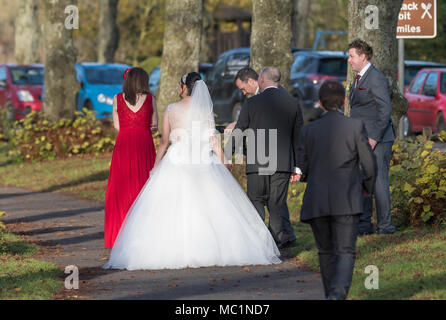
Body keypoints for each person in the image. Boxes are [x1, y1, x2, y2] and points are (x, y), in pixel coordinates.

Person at [103, 72, 281, 270]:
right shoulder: (204, 109)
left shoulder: (171, 109)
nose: (178, 88)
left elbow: (163, 143)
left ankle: (172, 248)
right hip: (201, 157)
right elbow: (213, 138)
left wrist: (155, 166)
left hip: (177, 159)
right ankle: (211, 247)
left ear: (185, 87)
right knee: (212, 203)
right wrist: (223, 160)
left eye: (180, 85)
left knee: (170, 206)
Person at [296, 80, 376, 300]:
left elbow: (302, 165)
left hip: (317, 199)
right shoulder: (355, 126)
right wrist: (366, 188)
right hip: (347, 198)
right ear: (344, 101)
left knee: (325, 252)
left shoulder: (308, 130)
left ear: (320, 103)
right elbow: (369, 164)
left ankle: (331, 294)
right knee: (345, 251)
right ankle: (337, 295)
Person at [226, 66, 302, 252]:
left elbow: (240, 130)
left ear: (261, 80)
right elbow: (298, 137)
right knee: (277, 203)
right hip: (283, 162)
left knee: (257, 201)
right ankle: (278, 242)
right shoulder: (292, 103)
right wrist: (297, 166)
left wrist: (229, 155)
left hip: (258, 159)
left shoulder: (252, 103)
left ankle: (258, 243)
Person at [104, 68, 158, 249]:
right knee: (144, 185)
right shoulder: (150, 99)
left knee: (121, 188)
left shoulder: (117, 99)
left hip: (124, 144)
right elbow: (154, 125)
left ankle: (119, 234)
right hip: (143, 143)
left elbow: (117, 126)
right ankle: (145, 234)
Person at [347, 39, 396, 235]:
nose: (349, 60)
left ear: (362, 56)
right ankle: (364, 225)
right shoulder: (359, 78)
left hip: (378, 140)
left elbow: (385, 110)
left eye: (351, 56)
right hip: (361, 139)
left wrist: (373, 139)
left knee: (378, 181)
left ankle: (385, 226)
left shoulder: (375, 78)